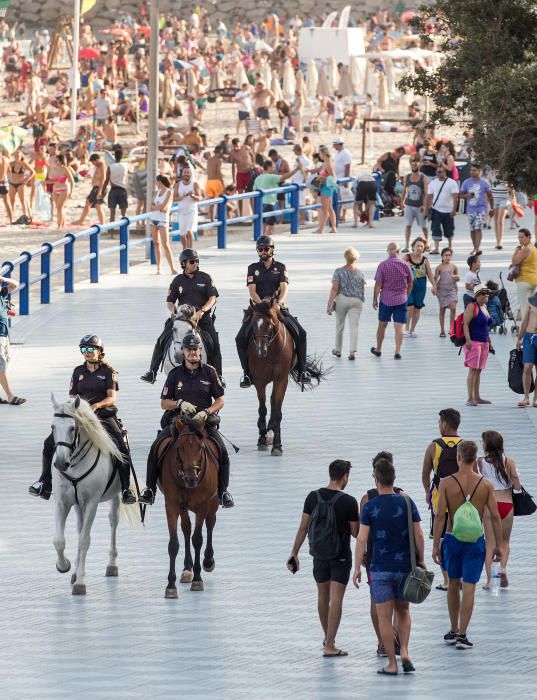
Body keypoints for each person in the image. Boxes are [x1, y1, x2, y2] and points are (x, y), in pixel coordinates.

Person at [29, 335, 136, 504]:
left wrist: (95, 406)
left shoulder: (108, 372)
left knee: (121, 447)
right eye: (83, 349)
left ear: (99, 351)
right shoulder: (78, 371)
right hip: (79, 415)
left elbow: (111, 398)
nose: (86, 352)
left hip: (103, 415)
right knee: (49, 442)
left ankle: (125, 489)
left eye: (90, 349)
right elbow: (72, 395)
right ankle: (44, 482)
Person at [138, 332, 233, 508]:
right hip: (178, 422)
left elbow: (220, 400)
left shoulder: (210, 372)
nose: (192, 352)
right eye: (189, 349)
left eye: (195, 349)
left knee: (222, 451)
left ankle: (223, 492)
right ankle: (150, 490)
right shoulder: (174, 374)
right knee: (155, 448)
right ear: (183, 351)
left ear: (200, 351)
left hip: (202, 423)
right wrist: (179, 403)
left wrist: (207, 412)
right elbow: (163, 403)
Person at [353, 458, 424, 675]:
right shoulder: (406, 502)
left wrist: (357, 567)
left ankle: (392, 663)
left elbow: (362, 539)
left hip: (380, 568)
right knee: (403, 611)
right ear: (393, 479)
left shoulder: (370, 506)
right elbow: (419, 534)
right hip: (404, 567)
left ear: (376, 479)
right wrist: (421, 560)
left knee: (384, 617)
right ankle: (404, 650)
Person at [433, 440, 503, 650]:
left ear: (458, 458)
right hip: (475, 542)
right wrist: (498, 545)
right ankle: (463, 635)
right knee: (469, 586)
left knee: (453, 583)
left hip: (452, 539)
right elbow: (495, 516)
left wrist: (436, 545)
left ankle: (453, 629)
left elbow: (439, 516)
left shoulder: (446, 482)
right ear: (475, 459)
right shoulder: (485, 484)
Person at [287, 459, 359, 657]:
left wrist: (294, 553)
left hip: (318, 554)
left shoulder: (313, 497)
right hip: (340, 556)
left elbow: (303, 527)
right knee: (336, 600)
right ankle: (329, 644)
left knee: (322, 596)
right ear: (345, 476)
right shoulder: (349, 501)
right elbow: (355, 533)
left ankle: (328, 638)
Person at [235, 235, 311, 387]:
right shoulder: (252, 268)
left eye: (266, 249)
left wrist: (278, 303)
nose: (263, 251)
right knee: (240, 338)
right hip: (258, 309)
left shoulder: (281, 267)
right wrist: (262, 303)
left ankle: (302, 370)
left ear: (272, 250)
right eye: (260, 249)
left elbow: (284, 288)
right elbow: (252, 292)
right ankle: (246, 373)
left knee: (301, 333)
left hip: (277, 307)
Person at [141, 248, 222, 382]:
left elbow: (213, 298)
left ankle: (218, 376)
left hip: (201, 317)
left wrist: (202, 311)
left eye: (196, 261)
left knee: (214, 343)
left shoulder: (205, 278)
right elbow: (170, 302)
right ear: (183, 264)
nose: (195, 263)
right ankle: (152, 372)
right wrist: (177, 312)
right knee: (161, 339)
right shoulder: (177, 281)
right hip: (181, 317)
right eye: (191, 261)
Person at [359, 451, 404, 658]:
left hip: (375, 559)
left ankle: (382, 642)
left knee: (377, 603)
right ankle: (396, 642)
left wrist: (360, 556)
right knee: (398, 605)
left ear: (374, 474)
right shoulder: (403, 497)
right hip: (401, 557)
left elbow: (361, 534)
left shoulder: (367, 499)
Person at [421, 408, 462, 590]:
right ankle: (458, 577)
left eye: (439, 422)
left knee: (443, 537)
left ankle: (447, 580)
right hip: (461, 500)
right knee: (459, 537)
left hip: (440, 500)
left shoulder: (433, 446)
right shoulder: (464, 445)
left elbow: (425, 474)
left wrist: (427, 492)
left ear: (444, 423)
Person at [478, 430, 521, 590]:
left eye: (482, 442)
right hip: (507, 505)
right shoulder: (509, 462)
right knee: (504, 542)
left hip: (490, 506)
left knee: (490, 544)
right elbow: (516, 486)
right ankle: (502, 570)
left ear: (487, 445)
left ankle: (491, 581)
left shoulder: (480, 463)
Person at [371, 242, 414, 360]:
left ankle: (379, 349)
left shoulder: (383, 265)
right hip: (401, 299)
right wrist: (406, 294)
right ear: (398, 251)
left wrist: (375, 299)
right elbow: (411, 283)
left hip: (386, 299)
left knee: (382, 324)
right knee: (399, 326)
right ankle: (397, 351)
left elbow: (378, 284)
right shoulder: (405, 265)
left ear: (387, 252)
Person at [326, 247, 365, 360]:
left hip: (342, 299)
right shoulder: (359, 272)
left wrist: (329, 304)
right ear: (355, 258)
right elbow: (362, 288)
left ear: (345, 257)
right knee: (354, 326)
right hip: (357, 300)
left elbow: (334, 289)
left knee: (340, 325)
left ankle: (338, 350)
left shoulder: (338, 271)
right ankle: (352, 351)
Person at [463, 283, 493, 406]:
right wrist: (468, 340)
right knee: (473, 370)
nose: (485, 296)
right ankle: (470, 398)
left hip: (484, 341)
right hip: (474, 342)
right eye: (482, 294)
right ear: (476, 295)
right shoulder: (472, 306)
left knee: (479, 370)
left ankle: (477, 396)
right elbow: (465, 324)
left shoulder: (484, 307)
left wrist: (490, 341)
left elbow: (486, 326)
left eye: (487, 294)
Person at [403, 237, 436, 337]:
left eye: (421, 246)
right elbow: (399, 269)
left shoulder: (425, 260)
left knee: (417, 308)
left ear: (424, 248)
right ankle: (406, 329)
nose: (419, 247)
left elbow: (429, 274)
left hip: (421, 285)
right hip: (409, 284)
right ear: (413, 247)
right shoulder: (407, 257)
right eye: (417, 245)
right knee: (410, 307)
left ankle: (412, 330)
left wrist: (434, 285)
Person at [0, 275, 25, 405]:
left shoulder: (1, 294)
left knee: (4, 364)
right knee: (1, 368)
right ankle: (10, 396)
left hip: (4, 335)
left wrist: (3, 279)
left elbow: (15, 284)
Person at [460, 164, 493, 256]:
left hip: (481, 208)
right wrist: (467, 195)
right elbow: (461, 195)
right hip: (470, 209)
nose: (472, 172)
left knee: (478, 228)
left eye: (474, 170)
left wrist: (492, 208)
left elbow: (490, 195)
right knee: (472, 229)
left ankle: (478, 249)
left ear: (479, 171)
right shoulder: (466, 182)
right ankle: (474, 247)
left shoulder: (484, 182)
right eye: (471, 170)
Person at [424, 166, 459, 255]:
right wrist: (427, 210)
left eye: (440, 172)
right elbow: (429, 197)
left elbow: (455, 197)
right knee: (435, 228)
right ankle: (436, 248)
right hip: (436, 209)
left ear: (445, 172)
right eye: (437, 172)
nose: (438, 174)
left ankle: (450, 246)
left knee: (449, 229)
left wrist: (454, 209)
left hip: (448, 210)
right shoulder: (432, 183)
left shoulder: (452, 183)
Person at [150, 175, 176, 275]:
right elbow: (152, 206)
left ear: (160, 182)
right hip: (154, 219)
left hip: (163, 221)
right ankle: (158, 267)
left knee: (165, 244)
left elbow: (164, 206)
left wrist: (159, 207)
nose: (156, 184)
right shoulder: (156, 192)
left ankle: (172, 268)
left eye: (157, 182)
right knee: (156, 243)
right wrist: (159, 208)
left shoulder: (169, 192)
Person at [401, 159, 429, 252]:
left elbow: (426, 193)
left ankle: (427, 243)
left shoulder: (423, 178)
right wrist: (402, 202)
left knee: (423, 226)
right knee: (408, 225)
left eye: (415, 165)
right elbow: (404, 190)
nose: (414, 166)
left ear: (419, 165)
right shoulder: (407, 177)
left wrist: (425, 206)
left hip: (419, 206)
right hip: (409, 205)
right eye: (412, 165)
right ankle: (406, 245)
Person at [72, 153, 106, 226]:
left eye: (93, 162)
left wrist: (99, 192)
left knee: (97, 206)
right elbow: (97, 176)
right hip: (96, 188)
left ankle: (102, 223)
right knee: (90, 204)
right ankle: (81, 220)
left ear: (97, 160)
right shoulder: (98, 166)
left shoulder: (102, 166)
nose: (93, 164)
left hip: (99, 188)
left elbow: (103, 179)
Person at [516, 291, 537, 407]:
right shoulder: (531, 300)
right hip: (529, 336)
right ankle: (526, 397)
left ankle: (536, 399)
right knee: (527, 366)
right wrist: (519, 338)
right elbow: (525, 321)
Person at [511, 227, 537, 318]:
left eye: (522, 237)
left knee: (524, 309)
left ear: (529, 237)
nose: (520, 239)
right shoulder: (534, 248)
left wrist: (516, 251)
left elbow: (515, 261)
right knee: (530, 307)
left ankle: (526, 330)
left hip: (524, 281)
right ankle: (531, 328)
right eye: (519, 237)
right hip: (533, 281)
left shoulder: (526, 249)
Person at [435, 248, 460, 337]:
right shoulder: (439, 267)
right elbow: (435, 279)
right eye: (446, 255)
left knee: (453, 307)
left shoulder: (454, 266)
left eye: (449, 255)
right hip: (441, 290)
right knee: (442, 310)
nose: (448, 257)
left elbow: (457, 277)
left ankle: (451, 329)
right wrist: (434, 288)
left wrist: (457, 277)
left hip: (451, 289)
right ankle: (442, 330)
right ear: (442, 256)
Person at [175, 165, 201, 250]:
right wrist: (181, 197)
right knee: (182, 234)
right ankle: (184, 250)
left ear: (191, 173)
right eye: (185, 172)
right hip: (181, 212)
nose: (186, 174)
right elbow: (174, 198)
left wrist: (192, 195)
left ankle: (191, 251)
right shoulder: (178, 184)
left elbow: (199, 198)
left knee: (189, 231)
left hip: (191, 211)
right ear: (182, 173)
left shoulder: (195, 184)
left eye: (188, 172)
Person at [315, 146, 338, 234]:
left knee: (325, 209)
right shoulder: (326, 163)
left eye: (320, 153)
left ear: (324, 154)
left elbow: (333, 177)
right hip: (326, 187)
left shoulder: (328, 164)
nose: (319, 155)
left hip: (327, 188)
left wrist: (322, 178)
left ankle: (321, 229)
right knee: (329, 208)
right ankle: (333, 228)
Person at [104, 147, 128, 222]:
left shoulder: (110, 167)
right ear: (122, 156)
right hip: (123, 191)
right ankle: (124, 231)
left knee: (112, 214)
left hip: (113, 190)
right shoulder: (125, 166)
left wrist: (102, 192)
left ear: (114, 156)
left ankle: (111, 231)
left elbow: (106, 180)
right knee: (124, 215)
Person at [332, 136, 352, 221]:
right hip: (337, 178)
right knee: (339, 197)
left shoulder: (345, 153)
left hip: (343, 178)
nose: (333, 146)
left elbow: (347, 166)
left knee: (344, 196)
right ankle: (338, 215)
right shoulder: (338, 153)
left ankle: (343, 216)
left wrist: (346, 179)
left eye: (334, 144)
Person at [490, 178, 511, 249]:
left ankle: (500, 242)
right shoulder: (492, 172)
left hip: (504, 199)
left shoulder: (506, 172)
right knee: (495, 221)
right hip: (494, 198)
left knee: (500, 221)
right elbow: (489, 184)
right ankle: (497, 241)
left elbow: (512, 185)